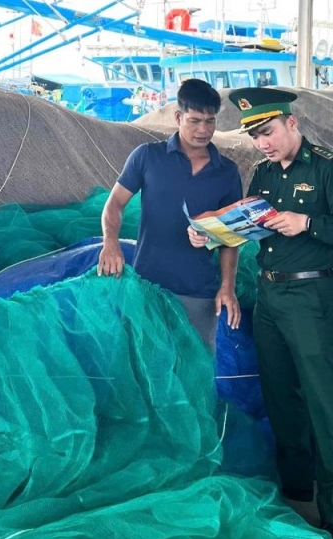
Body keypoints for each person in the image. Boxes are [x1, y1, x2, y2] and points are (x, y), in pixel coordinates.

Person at [189, 88, 333, 539]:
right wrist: (210, 236)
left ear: (292, 124)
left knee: (322, 400)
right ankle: (296, 487)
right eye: (255, 137)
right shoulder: (262, 174)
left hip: (309, 294)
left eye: (268, 132)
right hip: (269, 297)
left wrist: (306, 223)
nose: (263, 143)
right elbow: (246, 225)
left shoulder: (327, 167)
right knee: (280, 395)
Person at [97, 78, 243, 354]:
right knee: (145, 368)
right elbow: (114, 204)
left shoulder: (228, 172)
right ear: (178, 116)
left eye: (210, 121)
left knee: (194, 371)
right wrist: (111, 243)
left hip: (199, 293)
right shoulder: (147, 157)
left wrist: (227, 287)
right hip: (147, 288)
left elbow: (230, 238)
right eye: (195, 120)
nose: (203, 130)